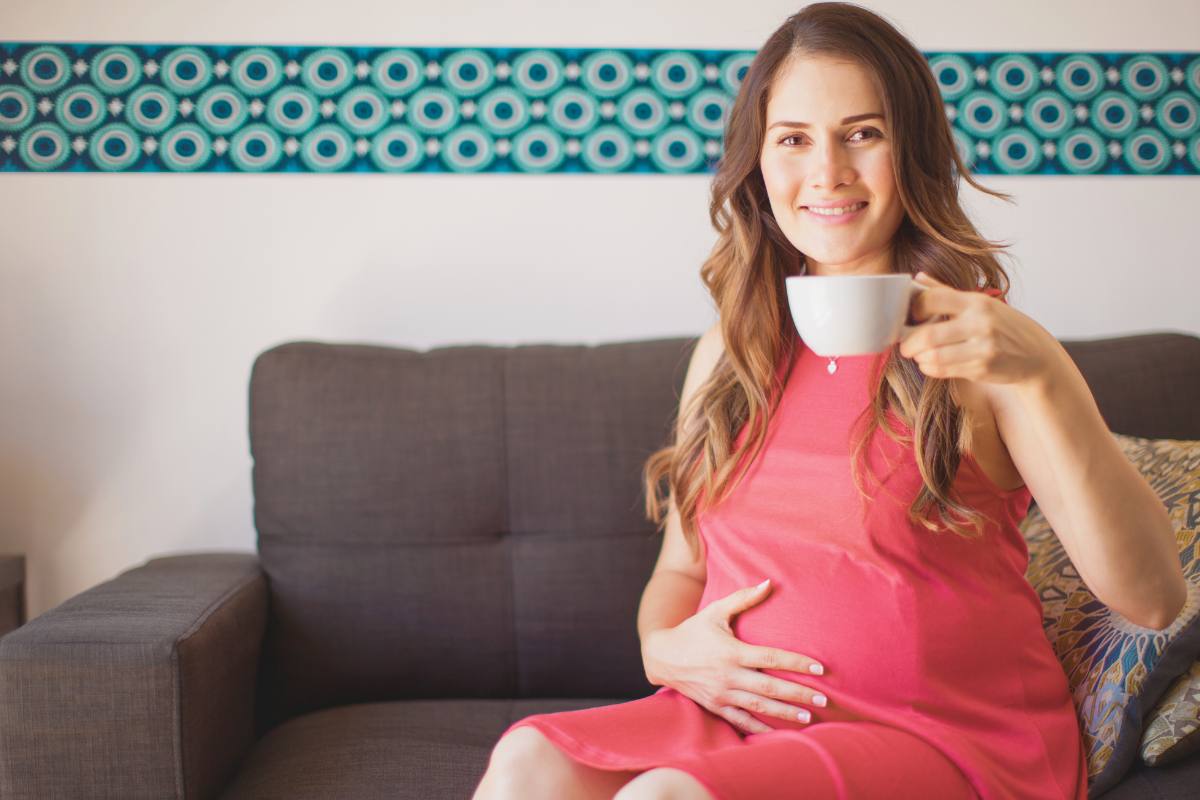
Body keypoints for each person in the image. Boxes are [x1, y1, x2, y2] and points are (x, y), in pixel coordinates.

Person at [470, 3, 1188, 798]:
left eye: (863, 133)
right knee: (526, 762)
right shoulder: (730, 351)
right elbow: (679, 572)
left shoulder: (986, 350)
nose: (828, 172)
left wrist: (1048, 376)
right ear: (759, 160)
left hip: (938, 736)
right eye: (794, 139)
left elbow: (1153, 599)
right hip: (740, 723)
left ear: (911, 149)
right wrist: (662, 652)